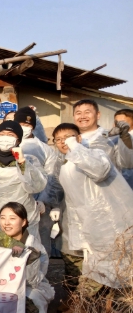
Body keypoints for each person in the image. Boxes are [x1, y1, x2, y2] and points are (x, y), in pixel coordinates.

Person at [51, 123, 133, 297]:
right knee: (102, 273)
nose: (63, 142)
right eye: (58, 139)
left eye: (68, 137)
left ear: (79, 138)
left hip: (111, 223)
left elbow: (99, 171)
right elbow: (71, 202)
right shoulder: (65, 166)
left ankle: (116, 305)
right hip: (91, 228)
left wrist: (74, 146)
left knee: (118, 270)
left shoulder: (96, 154)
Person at [0, 202, 54, 313]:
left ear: (23, 222)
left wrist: (29, 260)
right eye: (2, 218)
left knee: (30, 300)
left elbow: (33, 279)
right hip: (0, 284)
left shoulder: (31, 245)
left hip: (28, 286)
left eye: (12, 218)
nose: (6, 223)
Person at [14, 107, 61, 245]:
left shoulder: (45, 149)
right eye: (20, 124)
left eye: (27, 125)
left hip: (38, 205)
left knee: (38, 243)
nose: (24, 127)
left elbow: (52, 178)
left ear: (33, 127)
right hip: (13, 200)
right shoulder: (8, 144)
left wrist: (43, 201)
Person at [72, 99, 116, 164]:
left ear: (98, 115)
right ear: (74, 117)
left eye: (87, 112)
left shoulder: (112, 138)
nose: (82, 116)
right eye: (78, 113)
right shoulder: (68, 140)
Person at [109, 108, 133, 189]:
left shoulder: (129, 138)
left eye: (123, 122)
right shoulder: (113, 138)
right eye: (116, 122)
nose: (119, 125)